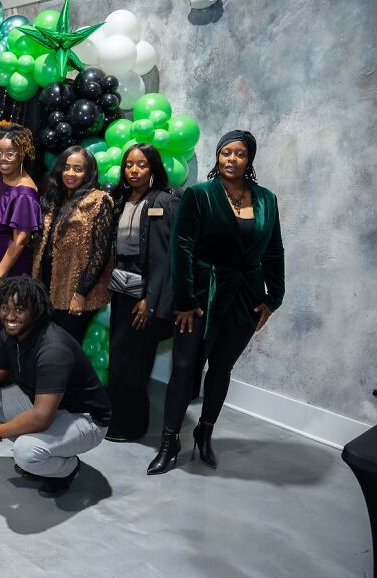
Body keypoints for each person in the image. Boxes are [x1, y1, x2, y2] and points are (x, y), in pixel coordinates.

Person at [148, 130, 284, 474]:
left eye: (239, 154)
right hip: (201, 296)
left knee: (222, 368)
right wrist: (185, 300)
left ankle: (204, 433)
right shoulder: (199, 194)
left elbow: (274, 251)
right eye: (226, 153)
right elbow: (182, 248)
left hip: (245, 297)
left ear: (249, 160)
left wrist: (272, 297)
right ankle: (169, 441)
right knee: (183, 369)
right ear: (218, 157)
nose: (232, 159)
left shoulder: (267, 199)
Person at [0, 276, 111, 498]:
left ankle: (67, 468)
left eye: (20, 310)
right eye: (5, 308)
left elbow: (42, 417)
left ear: (36, 311)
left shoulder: (53, 349)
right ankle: (46, 450)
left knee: (25, 452)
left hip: (85, 419)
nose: (10, 317)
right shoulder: (9, 335)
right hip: (42, 405)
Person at [103, 144, 178, 442]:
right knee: (120, 360)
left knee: (134, 363)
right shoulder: (121, 200)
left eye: (141, 165)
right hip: (122, 291)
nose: (133, 170)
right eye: (129, 165)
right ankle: (116, 419)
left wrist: (150, 300)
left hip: (145, 295)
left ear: (153, 169)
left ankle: (132, 425)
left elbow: (164, 258)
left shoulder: (163, 201)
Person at [32, 146, 113, 343]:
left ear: (88, 172)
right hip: (47, 286)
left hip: (75, 291)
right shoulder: (55, 197)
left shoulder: (98, 201)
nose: (70, 173)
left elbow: (100, 254)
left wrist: (81, 293)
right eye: (66, 167)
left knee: (64, 348)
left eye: (78, 168)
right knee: (46, 345)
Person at [0, 122, 42, 348]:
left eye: (10, 153)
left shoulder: (23, 192)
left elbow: (21, 239)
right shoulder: (0, 180)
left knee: (6, 321)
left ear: (22, 153)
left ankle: (4, 375)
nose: (3, 159)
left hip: (6, 268)